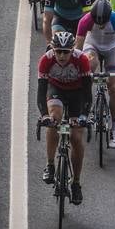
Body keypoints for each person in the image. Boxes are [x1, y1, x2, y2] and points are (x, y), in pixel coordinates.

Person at [38, 29, 91, 203]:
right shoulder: (46, 60)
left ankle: (76, 183)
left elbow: (88, 93)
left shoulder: (82, 59)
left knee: (76, 137)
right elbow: (41, 92)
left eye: (65, 52)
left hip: (77, 93)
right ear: (52, 49)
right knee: (54, 119)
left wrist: (83, 115)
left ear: (72, 50)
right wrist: (44, 115)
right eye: (58, 51)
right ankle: (50, 164)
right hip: (56, 90)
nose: (61, 56)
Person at [76, 0, 115, 148]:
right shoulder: (85, 20)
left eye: (103, 23)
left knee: (114, 87)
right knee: (88, 67)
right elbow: (78, 49)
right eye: (97, 22)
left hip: (112, 48)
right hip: (92, 46)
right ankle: (84, 106)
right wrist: (79, 71)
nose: (100, 25)